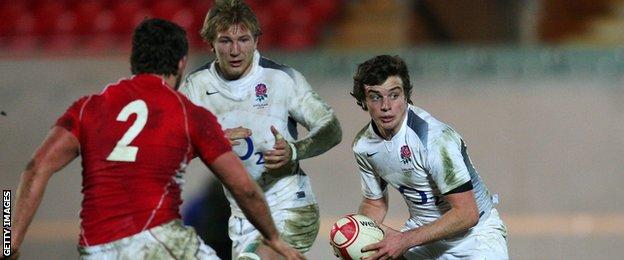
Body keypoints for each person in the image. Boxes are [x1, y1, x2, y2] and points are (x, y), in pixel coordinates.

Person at [7, 18, 303, 260]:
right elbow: (245, 189)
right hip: (159, 240)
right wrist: (274, 238)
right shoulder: (190, 115)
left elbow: (36, 168)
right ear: (181, 63)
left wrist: (9, 242)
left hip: (97, 250)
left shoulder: (89, 107)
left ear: (134, 59)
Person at [179, 0, 342, 259]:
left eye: (243, 39)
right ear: (210, 43)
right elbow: (172, 145)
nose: (235, 50)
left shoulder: (282, 79)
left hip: (290, 206)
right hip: (243, 216)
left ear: (256, 40)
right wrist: (208, 140)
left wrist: (295, 150)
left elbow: (332, 128)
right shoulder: (195, 87)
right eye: (225, 41)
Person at [350, 55, 508, 259]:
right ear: (363, 100)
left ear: (406, 96)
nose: (386, 106)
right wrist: (358, 236)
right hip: (422, 235)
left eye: (394, 95)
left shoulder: (434, 140)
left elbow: (467, 213)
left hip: (475, 237)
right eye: (375, 96)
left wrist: (405, 240)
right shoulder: (363, 145)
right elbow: (374, 203)